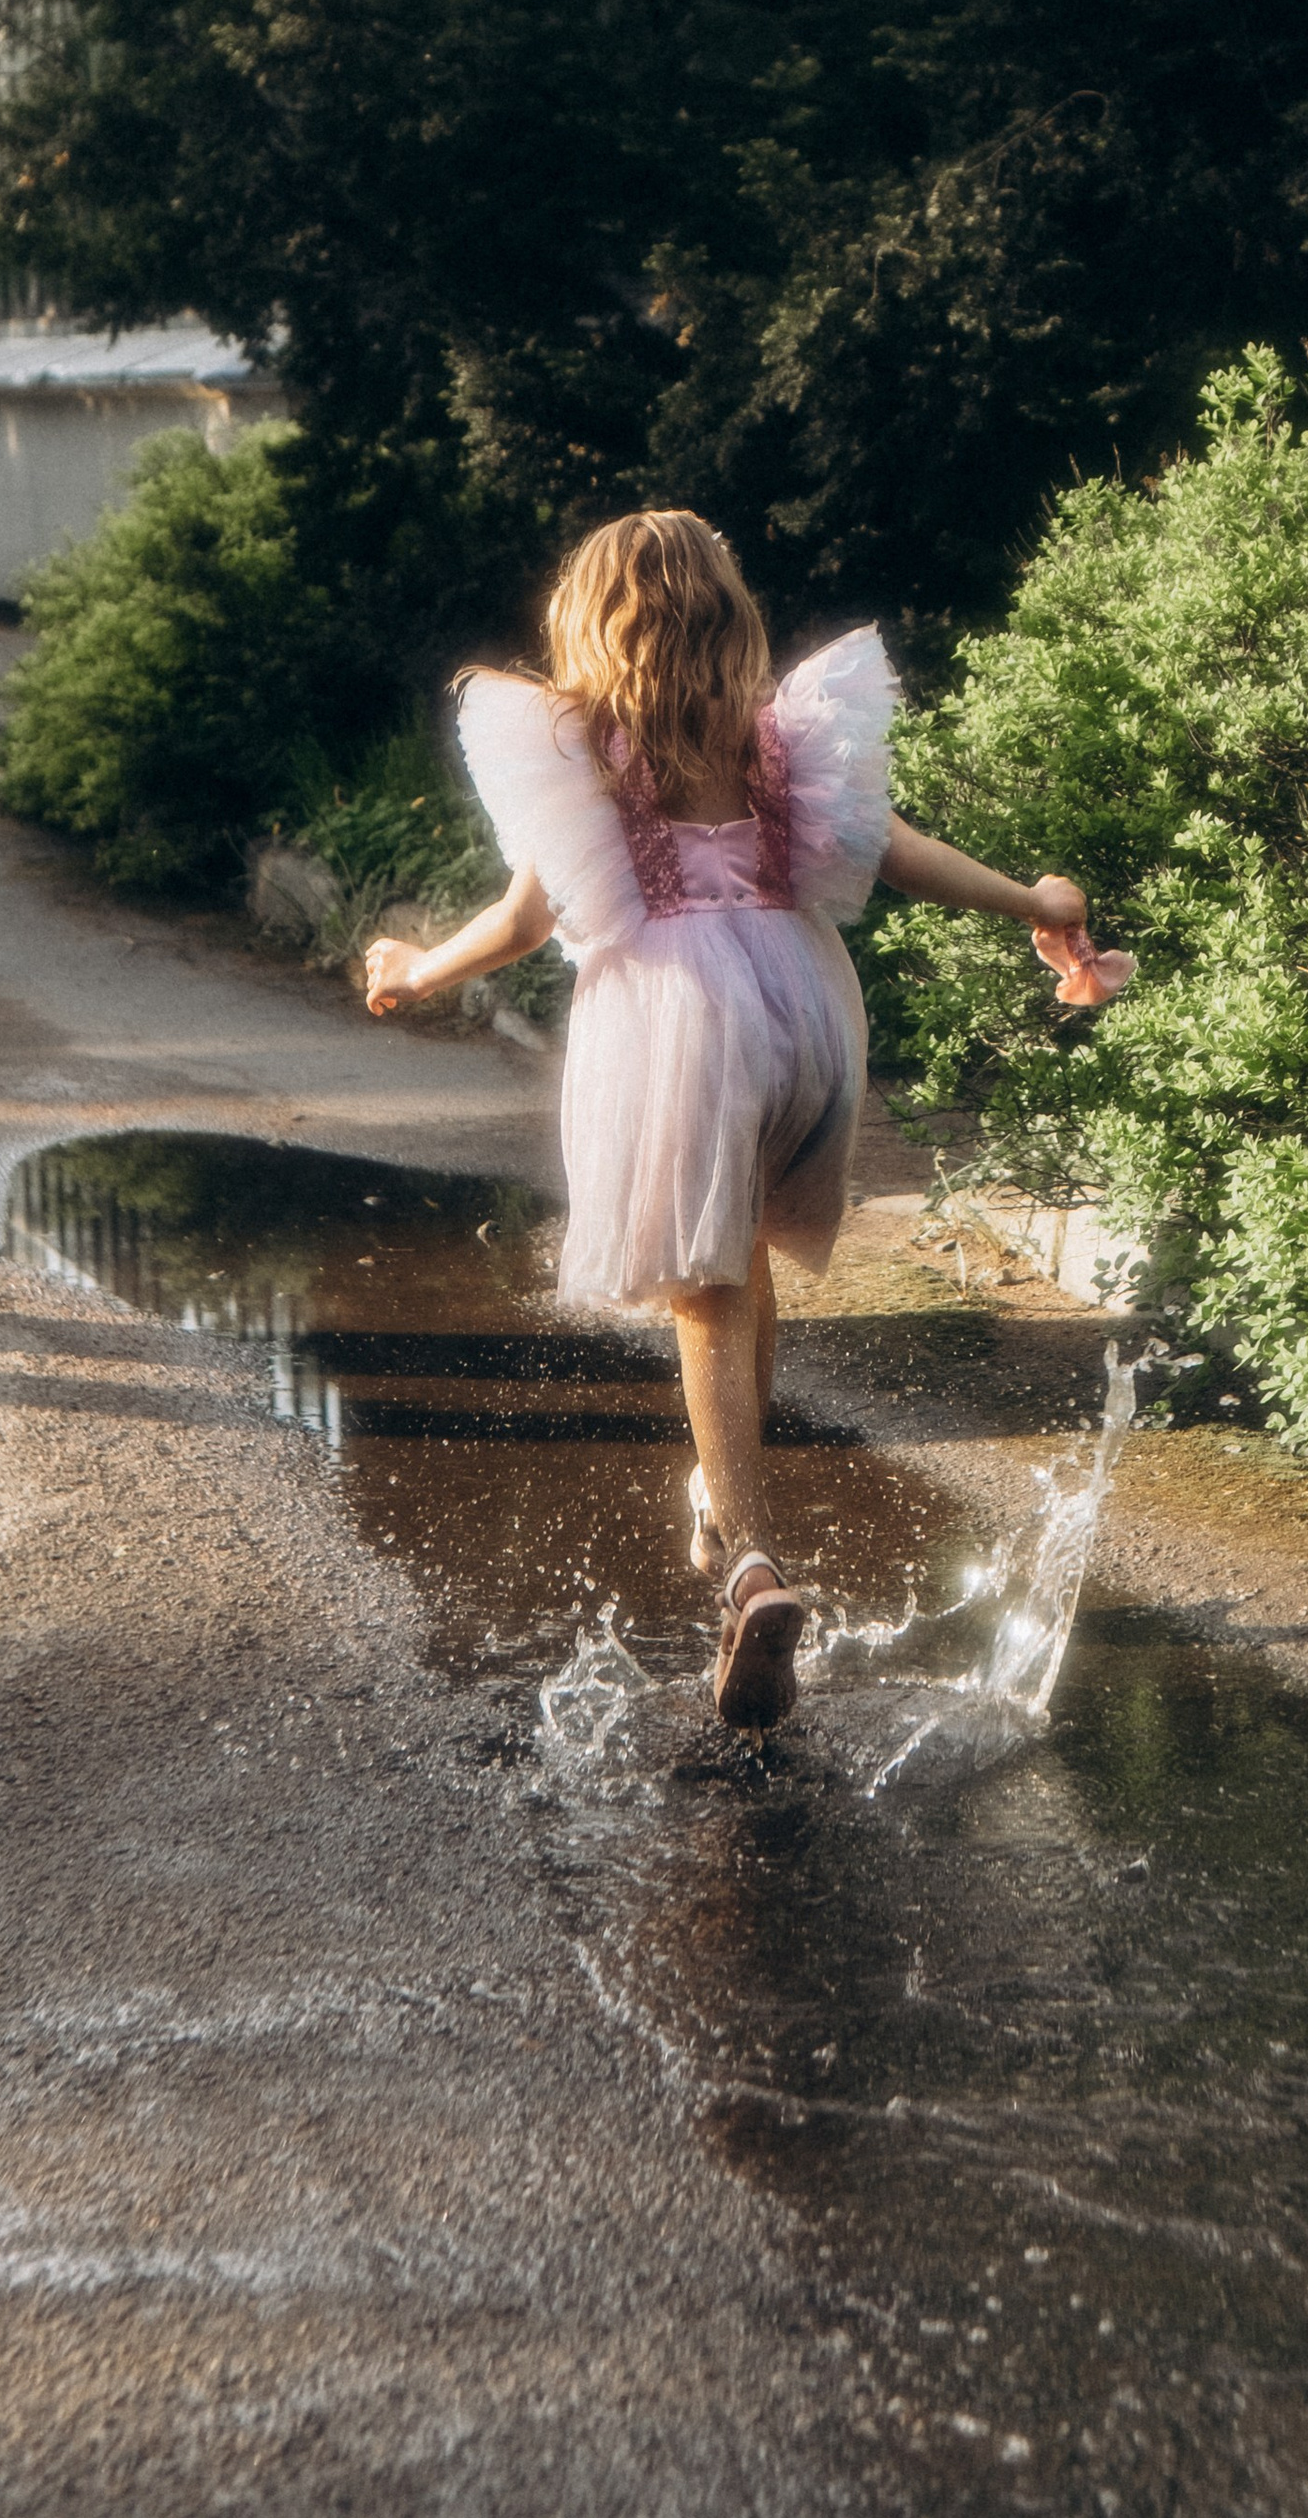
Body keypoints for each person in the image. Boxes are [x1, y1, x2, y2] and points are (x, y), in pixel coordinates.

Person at [361, 509, 1126, 1732]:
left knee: (699, 1291)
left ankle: (751, 1564)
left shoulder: (590, 755)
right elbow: (897, 853)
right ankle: (727, 1514)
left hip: (682, 1030)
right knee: (746, 1258)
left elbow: (518, 924)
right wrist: (1032, 897)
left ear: (594, 623)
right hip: (811, 1022)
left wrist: (415, 967)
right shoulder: (777, 745)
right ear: (727, 617)